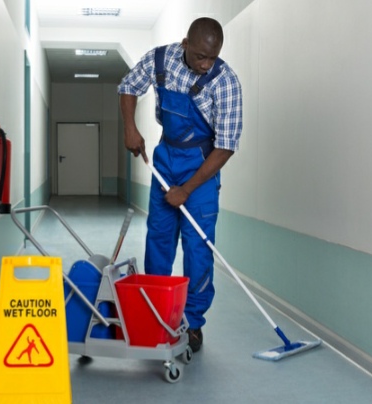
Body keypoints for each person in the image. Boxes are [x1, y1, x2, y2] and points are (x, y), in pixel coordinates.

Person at [117, 17, 243, 352]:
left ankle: (192, 323)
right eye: (200, 56)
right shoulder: (161, 59)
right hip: (166, 158)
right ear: (186, 43)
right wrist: (130, 128)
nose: (206, 64)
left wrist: (186, 190)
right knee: (158, 240)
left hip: (203, 165)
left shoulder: (226, 82)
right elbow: (128, 86)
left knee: (198, 247)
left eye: (212, 58)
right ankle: (156, 312)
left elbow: (226, 146)